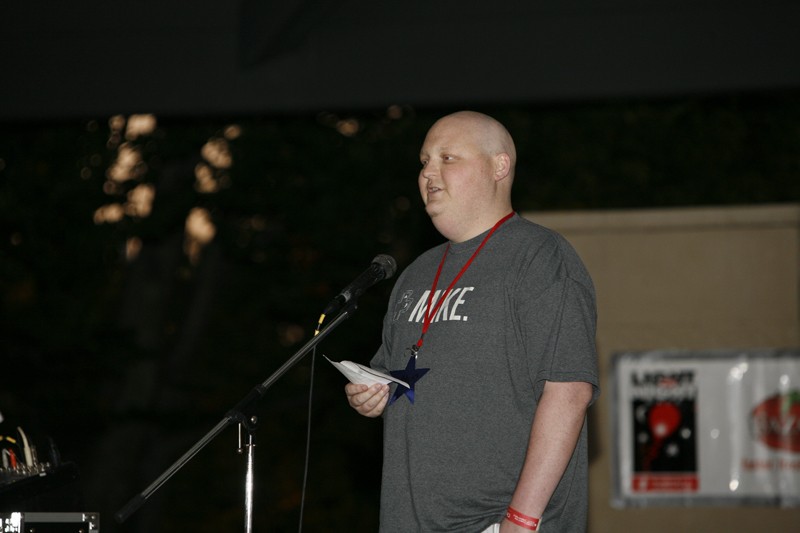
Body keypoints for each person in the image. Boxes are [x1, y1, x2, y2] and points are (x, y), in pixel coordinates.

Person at [345, 111, 599, 532]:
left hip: (497, 524)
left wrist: (521, 519)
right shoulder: (414, 274)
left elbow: (569, 391)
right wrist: (369, 394)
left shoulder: (540, 257)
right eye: (424, 160)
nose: (429, 171)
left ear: (499, 166)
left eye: (448, 158)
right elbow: (393, 380)